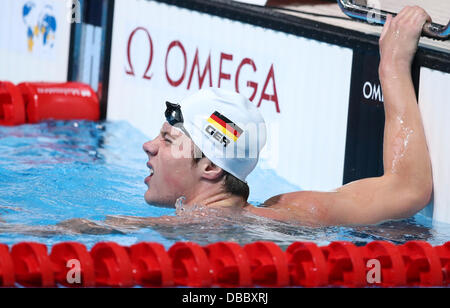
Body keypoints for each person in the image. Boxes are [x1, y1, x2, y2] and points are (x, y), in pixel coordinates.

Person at [138, 6, 433, 227]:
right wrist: (393, 67)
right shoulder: (296, 212)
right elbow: (408, 187)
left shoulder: (177, 228)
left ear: (211, 166)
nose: (148, 146)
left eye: (168, 139)